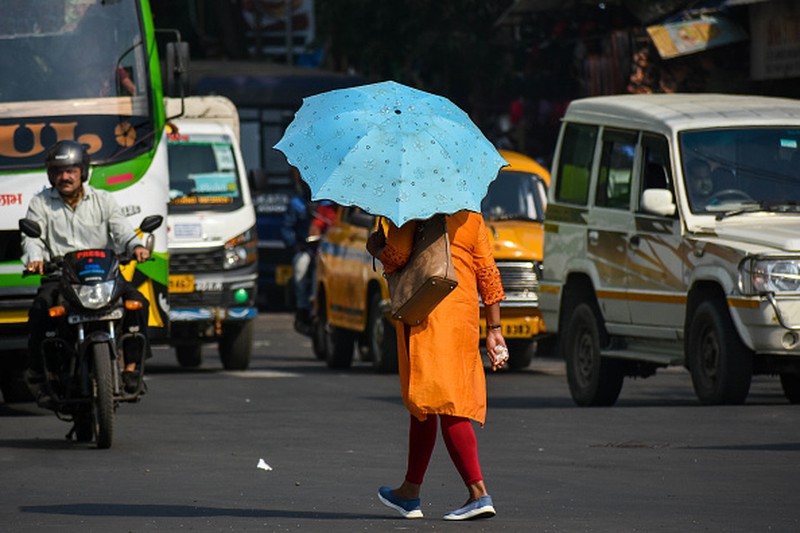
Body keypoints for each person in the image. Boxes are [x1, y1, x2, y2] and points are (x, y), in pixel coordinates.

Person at [366, 210, 507, 521]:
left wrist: (375, 246)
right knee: (429, 403)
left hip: (428, 314)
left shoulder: (415, 212)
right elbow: (488, 272)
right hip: (464, 317)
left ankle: (478, 492)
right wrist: (494, 330)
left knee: (444, 401)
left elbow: (397, 256)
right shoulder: (472, 216)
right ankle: (409, 492)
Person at [22, 140, 151, 397]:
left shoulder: (103, 200)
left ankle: (132, 368)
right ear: (51, 175)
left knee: (139, 304)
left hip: (103, 275)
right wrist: (35, 259)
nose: (65, 177)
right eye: (58, 171)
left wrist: (136, 247)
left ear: (83, 171)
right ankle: (42, 373)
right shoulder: (40, 203)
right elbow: (32, 237)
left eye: (71, 170)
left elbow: (122, 230)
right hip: (60, 277)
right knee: (40, 311)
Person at [281, 167, 334, 334]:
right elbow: (286, 229)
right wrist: (297, 245)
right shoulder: (296, 204)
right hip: (306, 249)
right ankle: (302, 308)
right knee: (300, 268)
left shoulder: (329, 206)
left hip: (326, 251)